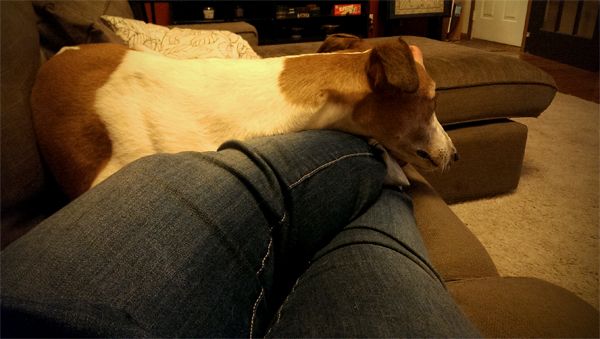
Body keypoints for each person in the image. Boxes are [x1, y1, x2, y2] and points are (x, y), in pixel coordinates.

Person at [1, 130, 479, 337]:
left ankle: (378, 169)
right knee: (366, 201)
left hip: (24, 310)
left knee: (246, 173)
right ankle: (380, 166)